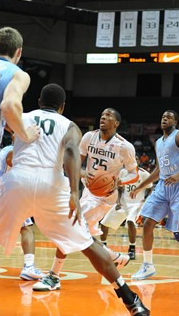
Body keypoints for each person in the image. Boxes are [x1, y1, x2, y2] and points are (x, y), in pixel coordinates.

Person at [0, 84, 149, 316]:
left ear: (40, 101)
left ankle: (53, 273)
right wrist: (74, 191)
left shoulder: (22, 116)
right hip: (52, 185)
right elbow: (72, 152)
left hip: (18, 181)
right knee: (89, 244)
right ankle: (130, 299)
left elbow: (4, 117)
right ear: (62, 107)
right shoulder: (70, 126)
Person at [44, 107, 139, 283]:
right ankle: (116, 257)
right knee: (80, 232)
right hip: (88, 191)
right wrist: (80, 173)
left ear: (116, 123)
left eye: (108, 115)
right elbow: (75, 161)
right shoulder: (89, 137)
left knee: (69, 226)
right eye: (102, 115)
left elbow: (134, 174)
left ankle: (54, 276)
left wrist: (119, 183)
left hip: (104, 197)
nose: (103, 117)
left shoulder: (125, 146)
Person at [130, 110, 179, 281]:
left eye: (169, 117)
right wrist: (140, 186)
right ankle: (148, 266)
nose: (165, 119)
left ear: (175, 121)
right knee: (147, 224)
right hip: (163, 186)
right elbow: (158, 170)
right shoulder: (158, 143)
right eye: (163, 116)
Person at [0, 26, 40, 231]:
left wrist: (4, 122)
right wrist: (24, 134)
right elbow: (9, 105)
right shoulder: (18, 74)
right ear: (19, 52)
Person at [0, 143, 45, 280]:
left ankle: (29, 267)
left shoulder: (3, 151)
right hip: (6, 195)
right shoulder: (11, 152)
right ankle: (29, 267)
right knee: (27, 228)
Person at [100, 155, 153, 260]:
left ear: (137, 162)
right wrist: (118, 201)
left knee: (130, 221)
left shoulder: (144, 174)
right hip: (123, 203)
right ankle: (103, 247)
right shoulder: (123, 172)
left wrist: (145, 201)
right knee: (104, 223)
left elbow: (150, 189)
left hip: (136, 204)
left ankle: (132, 249)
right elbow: (120, 188)